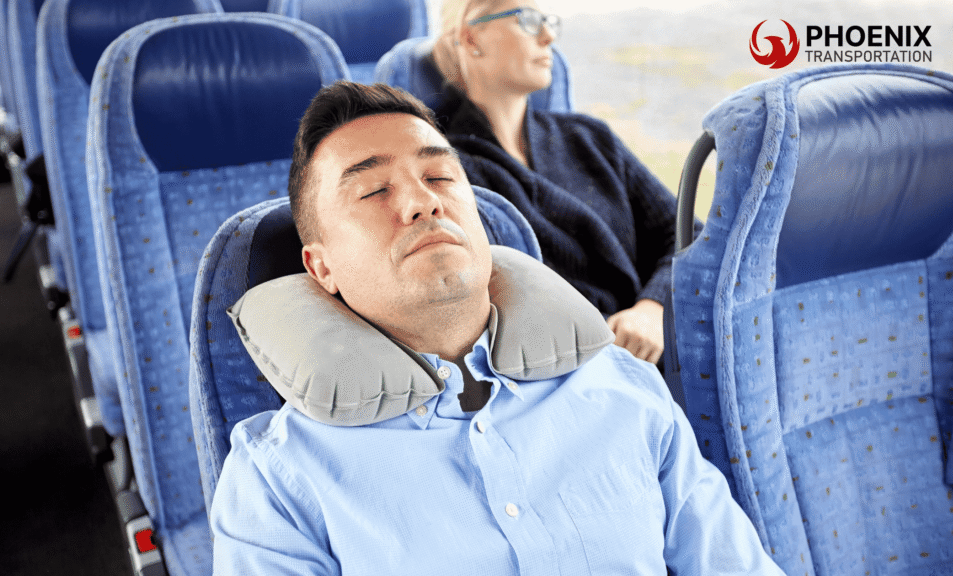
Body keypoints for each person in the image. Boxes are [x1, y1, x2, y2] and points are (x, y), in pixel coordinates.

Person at [209, 81, 784, 575]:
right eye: (373, 190)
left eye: (439, 175)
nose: (421, 202)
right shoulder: (279, 479)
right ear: (321, 267)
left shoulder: (624, 390)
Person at [431, 0, 687, 364]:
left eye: (549, 21)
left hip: (655, 347)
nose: (549, 36)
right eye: (529, 21)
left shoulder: (590, 138)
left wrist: (652, 307)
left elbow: (685, 232)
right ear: (472, 37)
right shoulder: (447, 170)